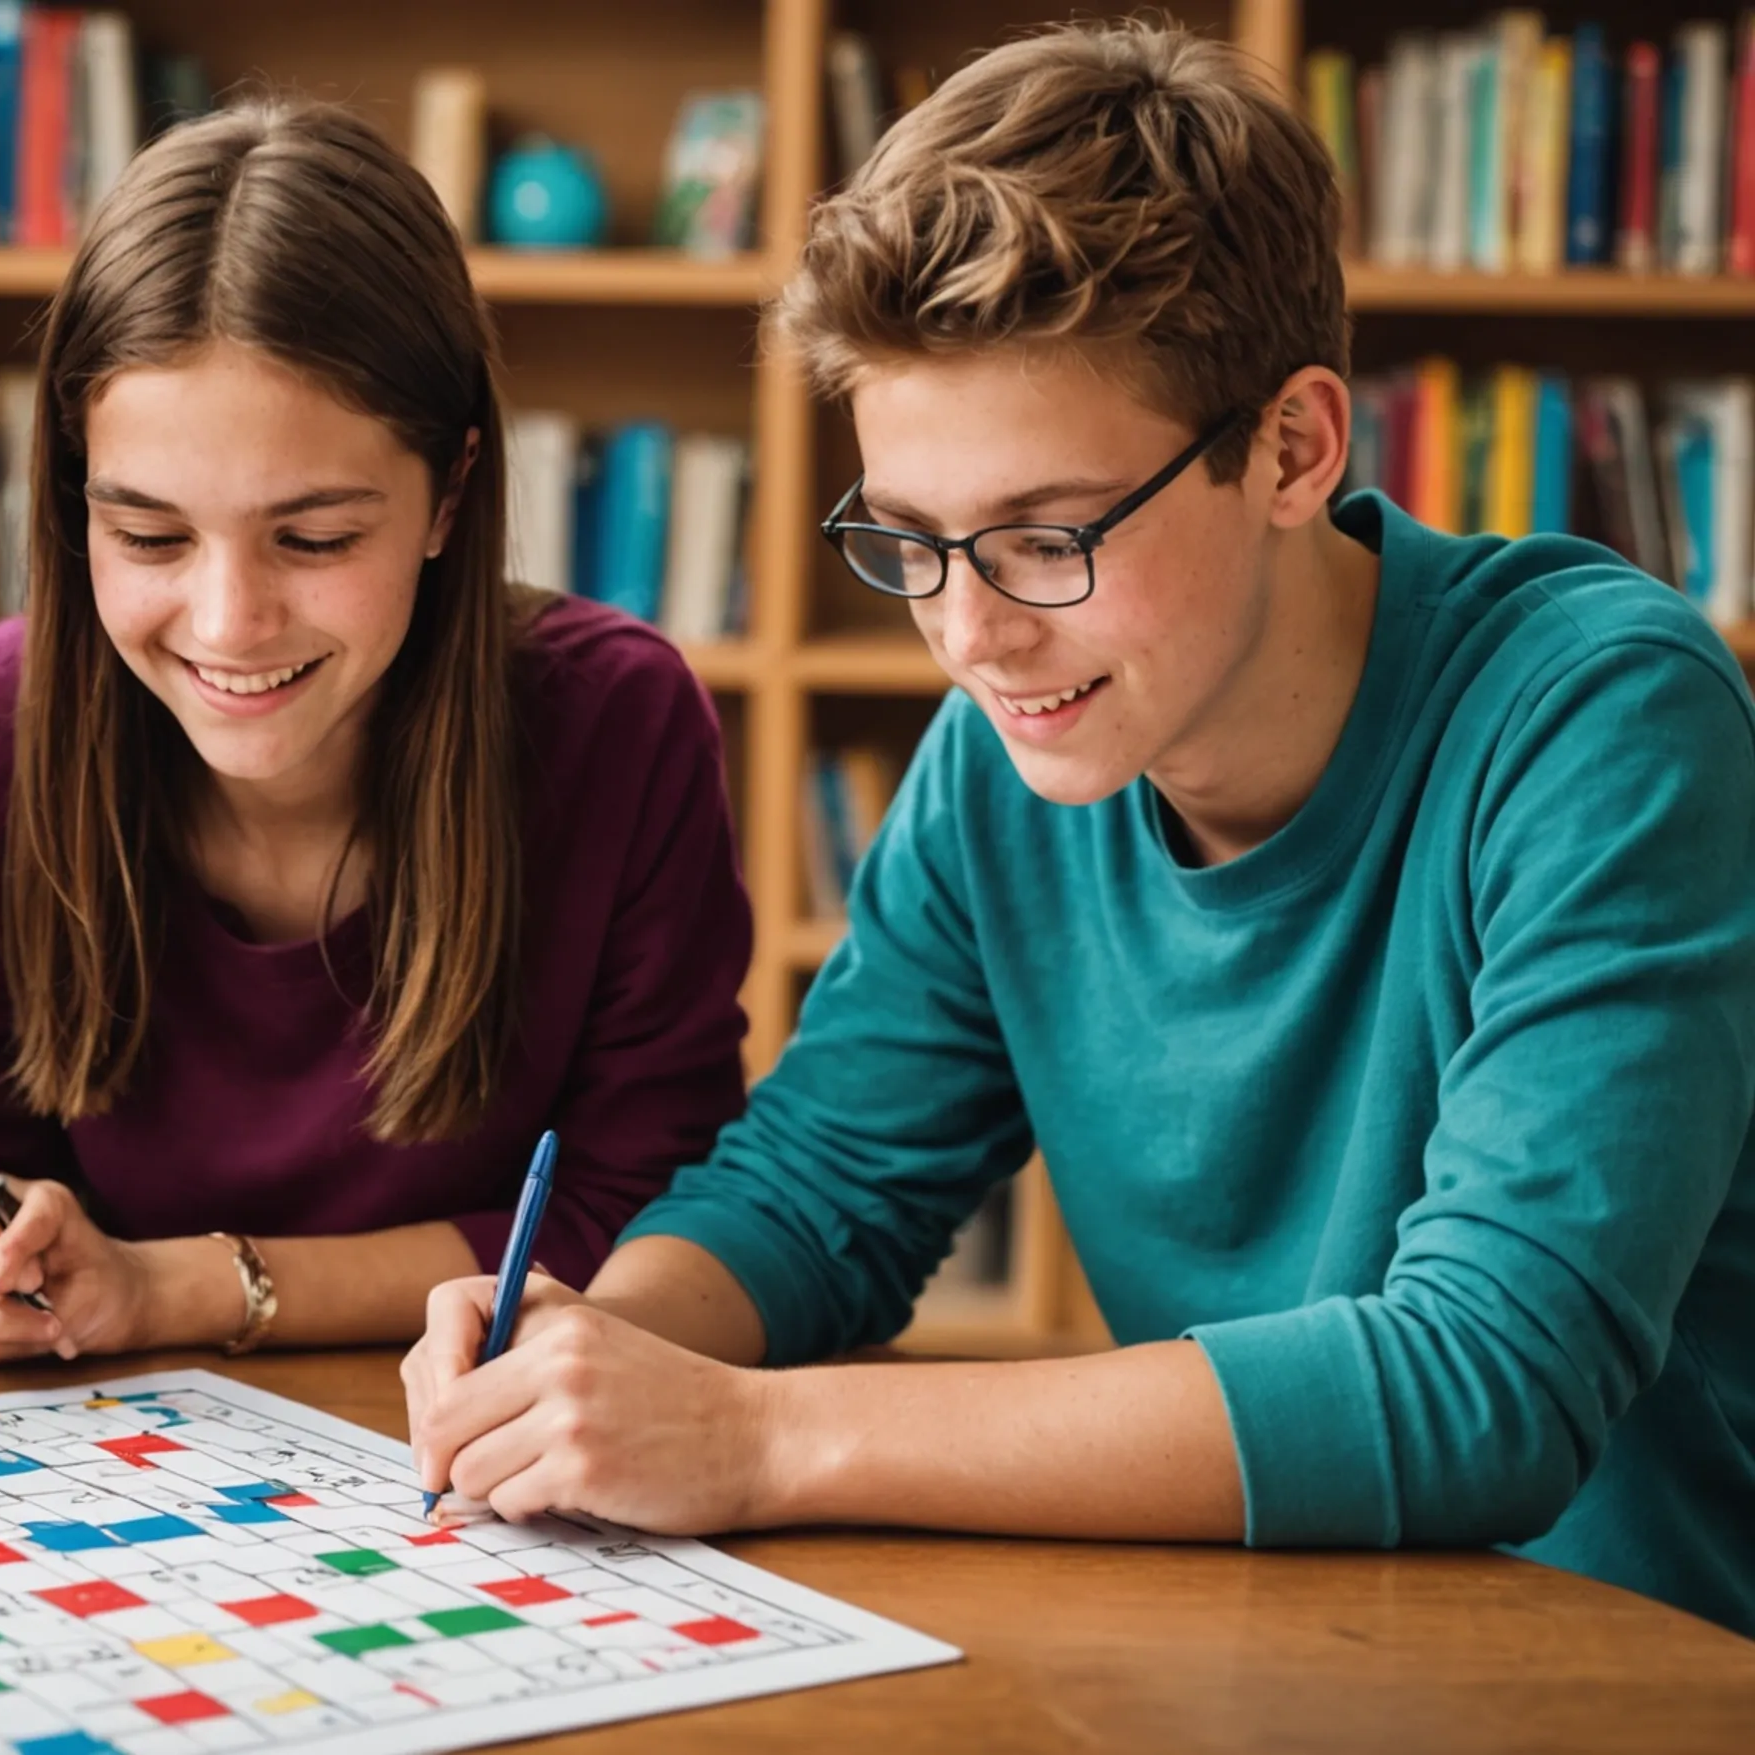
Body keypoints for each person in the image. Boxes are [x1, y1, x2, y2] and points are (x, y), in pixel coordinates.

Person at [406, 22, 1755, 1639]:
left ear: (1290, 447)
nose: (967, 638)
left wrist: (756, 1436)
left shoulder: (1598, 717)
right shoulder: (1022, 743)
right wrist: (599, 1355)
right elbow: (824, 1185)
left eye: (1044, 537)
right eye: (906, 540)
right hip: (1265, 1645)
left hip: (1627, 1676)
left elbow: (1486, 1381)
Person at [0, 102, 753, 1364]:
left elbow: (648, 1220)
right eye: (147, 536)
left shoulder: (617, 725)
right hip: (114, 1449)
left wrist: (188, 1288)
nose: (231, 623)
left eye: (316, 539)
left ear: (450, 495)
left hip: (480, 1454)